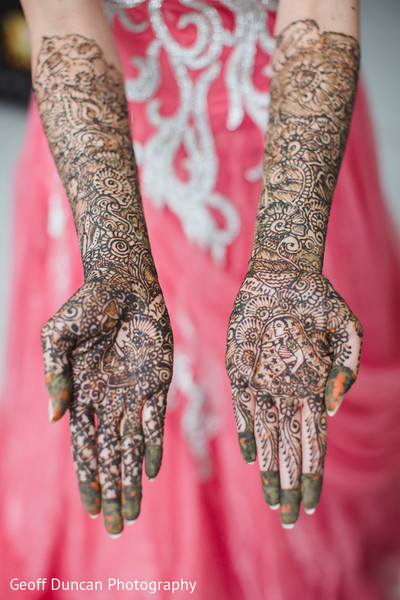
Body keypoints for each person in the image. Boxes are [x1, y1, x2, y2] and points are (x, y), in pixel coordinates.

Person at [1, 0, 399, 598]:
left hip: (293, 139)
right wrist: (114, 261)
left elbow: (318, 12)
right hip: (105, 155)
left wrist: (289, 255)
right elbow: (61, 24)